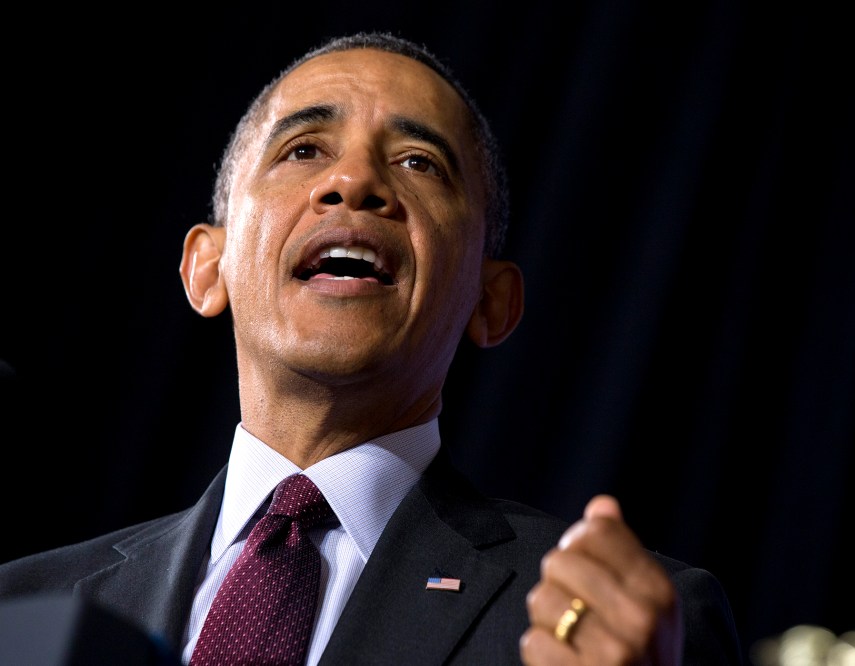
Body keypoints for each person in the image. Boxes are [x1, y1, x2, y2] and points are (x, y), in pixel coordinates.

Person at [0, 31, 743, 665]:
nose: (354, 182)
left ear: (494, 301)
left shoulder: (621, 630)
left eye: (419, 162)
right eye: (303, 149)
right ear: (206, 268)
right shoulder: (20, 610)